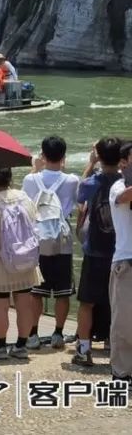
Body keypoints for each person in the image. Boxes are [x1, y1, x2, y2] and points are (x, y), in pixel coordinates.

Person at [21, 136, 79, 350]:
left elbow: (24, 205)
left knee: (36, 291)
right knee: (63, 292)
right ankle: (58, 334)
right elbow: (77, 200)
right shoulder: (72, 180)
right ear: (63, 157)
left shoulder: (30, 180)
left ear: (42, 155)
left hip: (38, 240)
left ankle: (33, 334)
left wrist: (33, 169)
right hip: (62, 241)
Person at [72, 137, 123, 367]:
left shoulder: (93, 182)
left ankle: (84, 349)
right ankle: (114, 345)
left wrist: (90, 164)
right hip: (120, 251)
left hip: (94, 251)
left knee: (86, 303)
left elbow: (79, 196)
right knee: (117, 302)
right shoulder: (124, 183)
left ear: (100, 157)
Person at [0, 166, 41, 359]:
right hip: (25, 257)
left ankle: (0, 347)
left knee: (1, 306)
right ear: (10, 178)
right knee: (24, 303)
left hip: (0, 261)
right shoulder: (24, 197)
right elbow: (34, 223)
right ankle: (21, 346)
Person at [109, 158, 132, 380]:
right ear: (124, 162)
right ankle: (121, 373)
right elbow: (125, 197)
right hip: (126, 261)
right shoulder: (118, 185)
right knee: (124, 321)